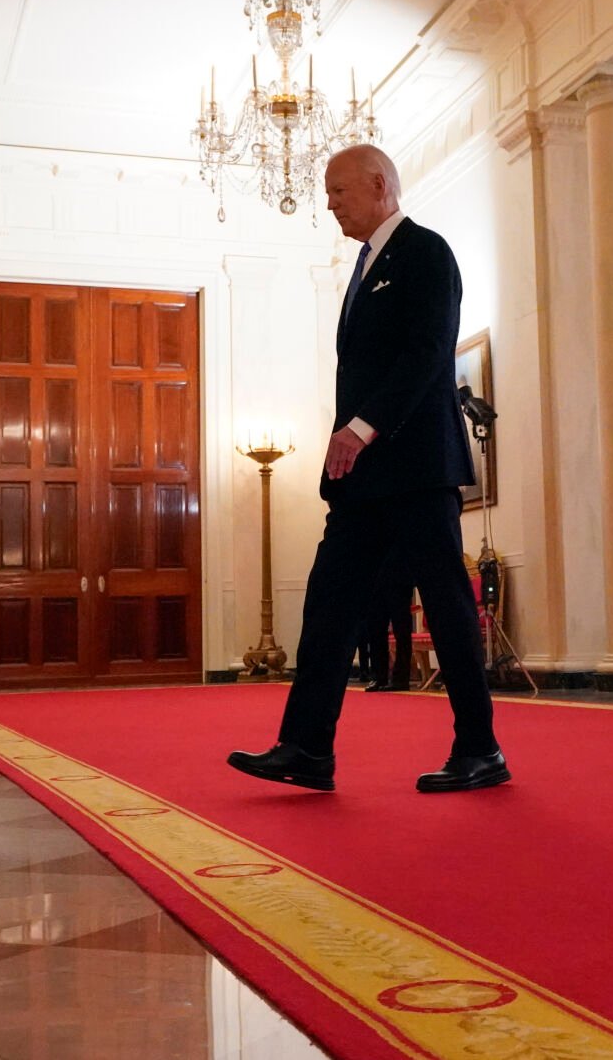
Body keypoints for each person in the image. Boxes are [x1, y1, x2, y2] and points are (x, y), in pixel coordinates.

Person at [228, 144, 508, 793]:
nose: (329, 203)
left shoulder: (426, 252)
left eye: (338, 190)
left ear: (380, 185)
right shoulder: (362, 264)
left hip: (416, 469)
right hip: (361, 482)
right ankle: (306, 748)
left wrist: (359, 427)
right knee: (328, 605)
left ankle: (481, 748)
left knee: (447, 607)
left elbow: (425, 353)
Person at [359, 553, 415, 692]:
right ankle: (378, 676)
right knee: (375, 630)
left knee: (401, 631)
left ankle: (401, 678)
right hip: (376, 581)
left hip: (399, 580)